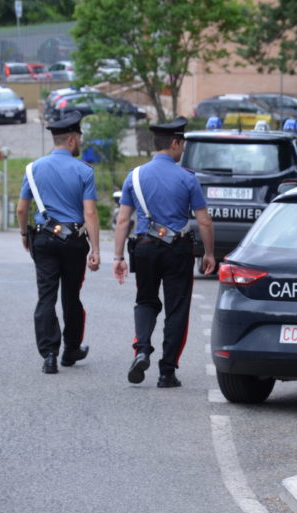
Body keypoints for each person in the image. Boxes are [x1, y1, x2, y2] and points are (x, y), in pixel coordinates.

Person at [112, 116, 215, 388]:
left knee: (145, 301)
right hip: (177, 249)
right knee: (177, 309)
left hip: (144, 247)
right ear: (174, 143)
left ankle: (142, 349)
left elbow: (123, 221)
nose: (182, 150)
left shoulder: (133, 176)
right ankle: (167, 372)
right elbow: (204, 220)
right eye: (181, 144)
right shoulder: (187, 178)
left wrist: (118, 257)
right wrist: (209, 254)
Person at [17, 110, 101, 374]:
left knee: (46, 295)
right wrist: (96, 249)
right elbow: (90, 213)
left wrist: (23, 234)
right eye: (80, 138)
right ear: (73, 140)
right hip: (74, 241)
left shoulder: (33, 169)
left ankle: (49, 355)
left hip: (43, 238)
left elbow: (21, 209)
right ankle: (71, 349)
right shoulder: (84, 171)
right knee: (71, 296)